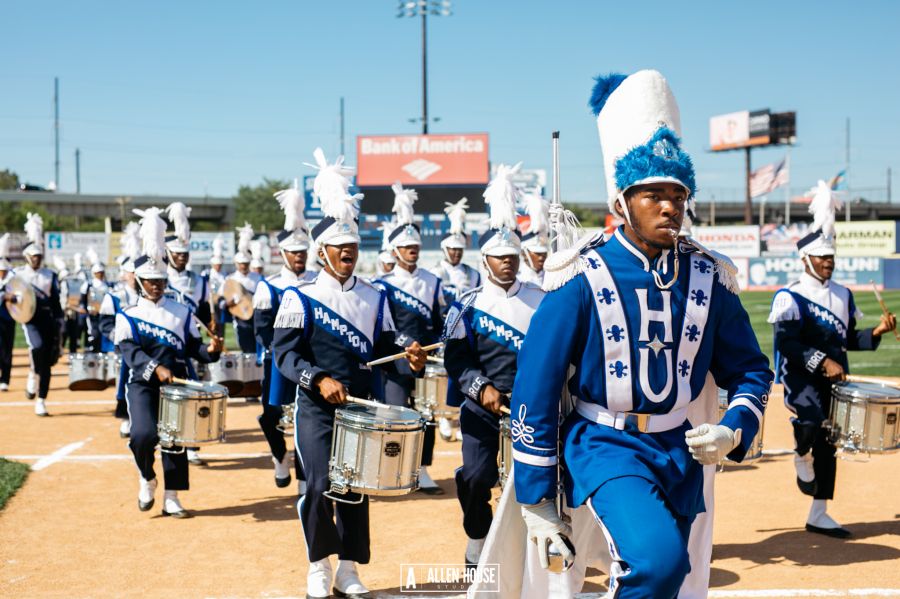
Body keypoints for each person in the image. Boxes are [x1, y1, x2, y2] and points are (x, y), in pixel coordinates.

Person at [510, 70, 773, 598]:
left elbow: (750, 370)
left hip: (680, 450)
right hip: (605, 444)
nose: (670, 205)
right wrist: (537, 500)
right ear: (621, 202)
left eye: (678, 193)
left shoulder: (708, 276)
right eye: (652, 193)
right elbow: (535, 386)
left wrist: (734, 427)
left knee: (668, 576)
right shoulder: (577, 276)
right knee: (656, 564)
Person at [272, 148, 426, 598]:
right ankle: (319, 565)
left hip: (360, 408)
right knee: (319, 484)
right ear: (321, 251)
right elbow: (285, 355)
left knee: (356, 489)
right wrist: (317, 378)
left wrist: (407, 355)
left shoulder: (376, 297)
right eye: (339, 248)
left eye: (353, 247)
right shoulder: (297, 298)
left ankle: (350, 568)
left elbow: (387, 346)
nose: (348, 254)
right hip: (316, 409)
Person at [768, 180, 896, 539]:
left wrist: (876, 332)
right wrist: (822, 361)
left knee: (831, 440)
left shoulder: (843, 294)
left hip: (837, 381)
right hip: (801, 379)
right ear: (805, 259)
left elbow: (848, 339)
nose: (829, 263)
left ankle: (819, 513)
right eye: (823, 257)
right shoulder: (789, 296)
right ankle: (800, 453)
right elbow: (786, 344)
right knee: (811, 424)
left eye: (832, 257)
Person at [442, 164, 545, 570]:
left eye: (512, 257)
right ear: (484, 260)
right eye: (500, 258)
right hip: (481, 406)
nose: (508, 264)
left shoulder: (542, 298)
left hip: (532, 406)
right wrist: (479, 386)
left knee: (539, 481)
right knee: (476, 477)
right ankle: (477, 539)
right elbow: (456, 358)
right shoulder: (466, 304)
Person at [115, 207, 223, 518]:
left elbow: (193, 349)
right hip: (143, 384)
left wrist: (212, 351)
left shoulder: (181, 312)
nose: (156, 285)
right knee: (143, 436)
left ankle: (172, 496)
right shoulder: (128, 315)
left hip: (177, 383)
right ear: (140, 282)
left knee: (175, 440)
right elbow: (129, 351)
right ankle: (147, 477)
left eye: (160, 280)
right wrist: (154, 368)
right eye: (150, 281)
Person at [374, 181, 445, 494]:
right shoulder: (382, 284)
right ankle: (392, 470)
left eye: (415, 247)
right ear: (394, 251)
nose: (412, 252)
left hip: (426, 358)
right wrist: (405, 343)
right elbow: (381, 326)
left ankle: (424, 470)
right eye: (406, 248)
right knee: (395, 414)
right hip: (395, 360)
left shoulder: (433, 281)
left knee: (426, 416)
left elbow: (439, 321)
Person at [254, 184, 316, 491]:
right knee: (271, 416)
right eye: (293, 252)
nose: (299, 257)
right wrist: (281, 352)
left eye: (303, 252)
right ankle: (280, 457)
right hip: (278, 361)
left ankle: (306, 477)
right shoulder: (270, 285)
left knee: (308, 420)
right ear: (283, 254)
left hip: (311, 362)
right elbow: (262, 328)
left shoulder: (318, 283)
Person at [164, 202, 213, 465]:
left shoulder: (199, 281)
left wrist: (212, 326)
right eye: (177, 253)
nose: (182, 257)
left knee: (193, 390)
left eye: (185, 254)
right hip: (168, 338)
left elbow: (205, 312)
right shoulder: (160, 279)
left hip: (192, 339)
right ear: (168, 253)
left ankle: (191, 444)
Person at [14, 213, 64, 416]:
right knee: (37, 347)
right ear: (27, 257)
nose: (36, 259)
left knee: (48, 360)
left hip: (48, 319)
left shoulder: (49, 275)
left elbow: (55, 302)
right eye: (33, 256)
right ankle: (33, 376)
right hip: (30, 318)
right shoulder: (19, 275)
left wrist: (61, 322)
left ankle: (41, 399)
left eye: (39, 256)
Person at [99, 222, 142, 438]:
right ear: (125, 274)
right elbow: (105, 323)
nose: (135, 276)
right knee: (124, 382)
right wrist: (115, 336)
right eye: (131, 272)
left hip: (145, 347)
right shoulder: (114, 295)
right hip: (123, 349)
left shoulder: (149, 295)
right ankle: (125, 417)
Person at [433, 197, 480, 309]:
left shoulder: (474, 274)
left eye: (460, 249)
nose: (457, 253)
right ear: (444, 249)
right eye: (453, 249)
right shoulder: (434, 273)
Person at [222, 223, 261, 354]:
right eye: (241, 264)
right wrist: (230, 303)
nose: (243, 266)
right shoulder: (230, 279)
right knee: (246, 348)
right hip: (240, 318)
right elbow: (222, 300)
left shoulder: (258, 278)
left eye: (245, 264)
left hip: (257, 317)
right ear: (236, 264)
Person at [80, 248, 112, 353]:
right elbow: (83, 298)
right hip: (92, 314)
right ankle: (92, 351)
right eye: (98, 273)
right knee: (94, 333)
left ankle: (102, 352)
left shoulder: (107, 285)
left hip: (104, 314)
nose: (100, 275)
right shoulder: (89, 284)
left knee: (104, 333)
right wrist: (84, 309)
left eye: (101, 272)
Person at [518, 190, 550, 286]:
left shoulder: (552, 279)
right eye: (537, 253)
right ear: (524, 253)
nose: (542, 257)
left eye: (543, 253)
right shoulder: (518, 281)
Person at [0, 234, 15, 392]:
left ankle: (5, 378)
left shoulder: (13, 280)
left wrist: (11, 297)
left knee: (7, 348)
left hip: (8, 317)